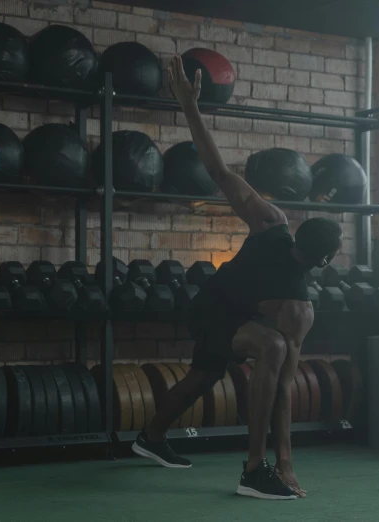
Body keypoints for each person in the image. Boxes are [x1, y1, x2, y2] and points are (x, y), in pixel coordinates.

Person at [132, 55, 343, 501]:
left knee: (204, 376)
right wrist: (283, 463)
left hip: (211, 305)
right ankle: (253, 470)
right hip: (217, 312)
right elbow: (284, 387)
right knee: (273, 347)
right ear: (324, 262)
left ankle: (149, 437)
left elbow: (218, 171)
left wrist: (190, 106)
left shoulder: (270, 220)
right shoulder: (298, 309)